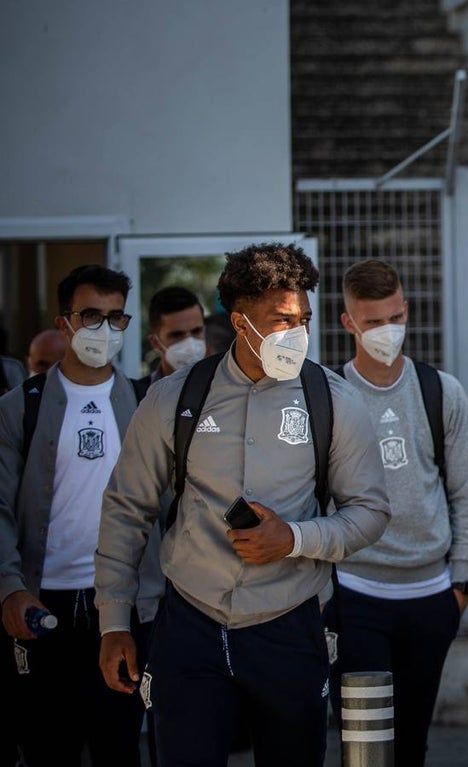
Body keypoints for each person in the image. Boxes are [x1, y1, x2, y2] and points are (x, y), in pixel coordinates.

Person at [94, 242, 392, 767]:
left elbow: (370, 512)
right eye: (280, 321)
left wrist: (294, 538)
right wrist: (114, 622)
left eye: (302, 319)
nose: (296, 333)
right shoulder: (172, 399)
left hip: (290, 625)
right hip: (189, 624)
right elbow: (126, 509)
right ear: (239, 321)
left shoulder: (334, 400)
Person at [328, 259, 468, 767]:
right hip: (355, 595)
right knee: (365, 747)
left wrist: (461, 584)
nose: (386, 332)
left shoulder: (442, 392)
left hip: (431, 595)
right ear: (348, 322)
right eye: (373, 323)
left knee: (413, 743)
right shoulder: (326, 397)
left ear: (407, 311)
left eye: (395, 318)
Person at [0, 265, 160, 766]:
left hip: (126, 606)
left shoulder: (146, 403)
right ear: (64, 321)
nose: (104, 329)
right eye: (91, 315)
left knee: (119, 746)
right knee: (49, 747)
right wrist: (9, 585)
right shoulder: (18, 407)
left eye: (116, 318)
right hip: (42, 607)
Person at [139, 286, 206, 385]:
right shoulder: (139, 396)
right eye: (177, 335)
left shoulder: (224, 390)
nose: (190, 345)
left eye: (196, 331)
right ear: (155, 342)